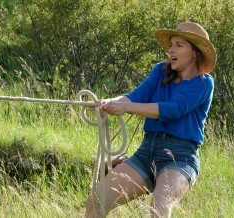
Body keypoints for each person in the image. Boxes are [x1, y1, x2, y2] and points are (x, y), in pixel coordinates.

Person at [85, 21, 216, 217]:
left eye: (179, 45)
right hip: (146, 152)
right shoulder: (160, 72)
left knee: (159, 206)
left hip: (181, 157)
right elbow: (136, 95)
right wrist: (112, 101)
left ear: (195, 53)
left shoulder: (204, 83)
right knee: (97, 200)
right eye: (171, 45)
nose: (172, 49)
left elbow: (173, 109)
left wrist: (126, 107)